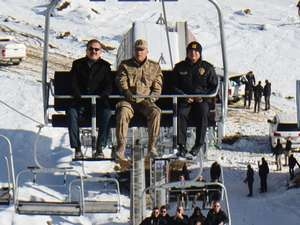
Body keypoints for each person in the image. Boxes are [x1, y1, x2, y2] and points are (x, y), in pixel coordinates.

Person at [115, 39, 163, 160]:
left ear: (147, 51)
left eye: (142, 50)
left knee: (156, 112)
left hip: (145, 101)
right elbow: (121, 81)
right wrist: (126, 92)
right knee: (123, 112)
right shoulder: (125, 65)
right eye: (137, 50)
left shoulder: (154, 67)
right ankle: (121, 147)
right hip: (129, 100)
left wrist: (151, 99)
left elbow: (157, 87)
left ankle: (152, 147)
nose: (139, 53)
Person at [171, 41, 218, 157]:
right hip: (185, 100)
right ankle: (181, 145)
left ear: (200, 53)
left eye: (196, 51)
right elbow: (173, 85)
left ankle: (198, 144)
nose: (193, 53)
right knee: (180, 113)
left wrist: (203, 97)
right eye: (191, 51)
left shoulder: (207, 67)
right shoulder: (179, 67)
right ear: (187, 53)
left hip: (201, 100)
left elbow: (214, 86)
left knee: (203, 112)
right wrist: (184, 96)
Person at [67, 39, 112, 159]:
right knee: (72, 112)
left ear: (100, 51)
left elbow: (109, 85)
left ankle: (100, 147)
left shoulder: (105, 66)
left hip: (99, 103)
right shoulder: (78, 64)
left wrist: (103, 95)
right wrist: (77, 94)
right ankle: (77, 148)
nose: (94, 51)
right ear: (86, 50)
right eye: (91, 49)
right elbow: (73, 81)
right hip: (81, 102)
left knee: (107, 113)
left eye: (96, 49)